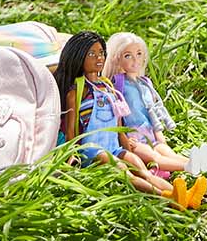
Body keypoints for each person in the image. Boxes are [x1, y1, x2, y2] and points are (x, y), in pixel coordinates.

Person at [54, 31, 180, 199]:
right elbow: (71, 129)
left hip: (115, 146)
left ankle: (179, 194)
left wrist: (128, 148)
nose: (99, 58)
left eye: (101, 53)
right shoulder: (76, 92)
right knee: (126, 173)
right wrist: (72, 156)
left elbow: (119, 124)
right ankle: (168, 198)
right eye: (92, 54)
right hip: (93, 150)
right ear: (79, 57)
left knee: (142, 169)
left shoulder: (108, 87)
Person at [104, 32, 207, 177]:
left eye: (139, 54)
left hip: (151, 132)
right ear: (117, 58)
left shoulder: (146, 83)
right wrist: (124, 138)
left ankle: (198, 163)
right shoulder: (117, 83)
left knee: (167, 152)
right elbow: (117, 114)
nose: (135, 60)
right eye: (128, 56)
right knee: (155, 157)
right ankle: (188, 166)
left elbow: (151, 111)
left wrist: (160, 137)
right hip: (133, 136)